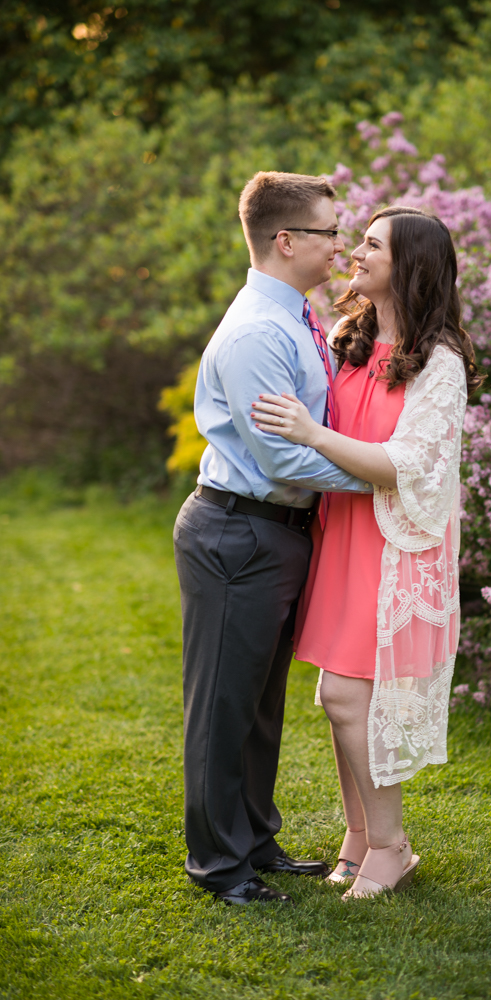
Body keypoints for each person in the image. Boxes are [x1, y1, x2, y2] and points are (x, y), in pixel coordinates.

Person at [252, 206, 483, 899]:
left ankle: (390, 846)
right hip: (342, 537)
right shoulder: (349, 339)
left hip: (393, 546)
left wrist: (310, 435)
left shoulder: (438, 363)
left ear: (407, 265)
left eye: (371, 245)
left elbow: (408, 466)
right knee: (335, 695)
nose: (355, 252)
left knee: (352, 697)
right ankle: (358, 838)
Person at [173, 171, 374, 906]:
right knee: (223, 705)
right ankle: (219, 867)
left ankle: (254, 839)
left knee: (259, 702)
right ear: (285, 240)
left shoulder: (293, 314)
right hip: (238, 532)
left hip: (274, 531)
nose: (338, 245)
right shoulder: (260, 329)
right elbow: (280, 457)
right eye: (328, 231)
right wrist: (385, 479)